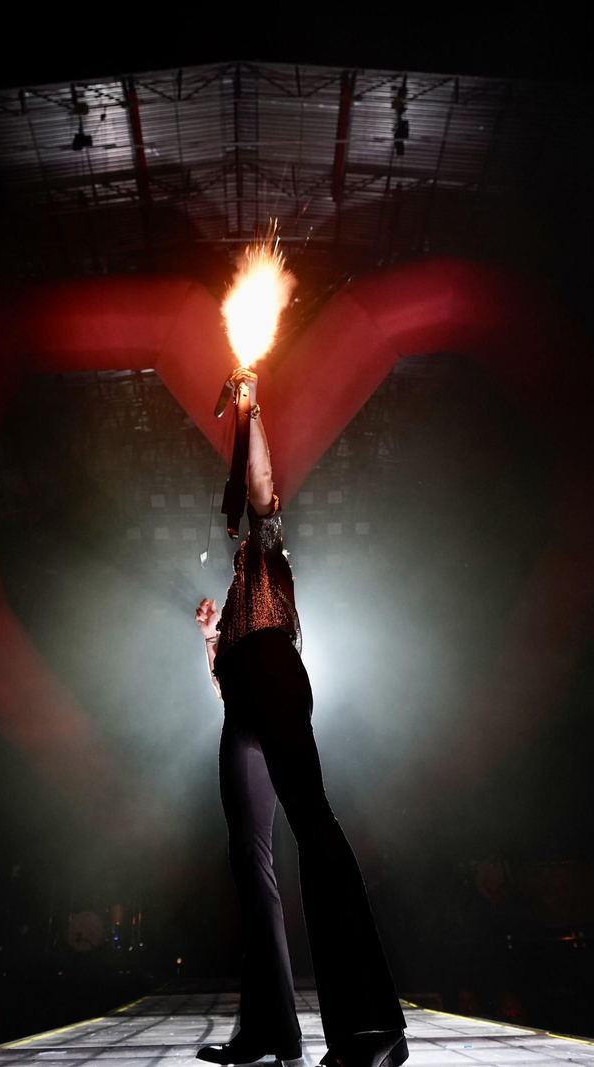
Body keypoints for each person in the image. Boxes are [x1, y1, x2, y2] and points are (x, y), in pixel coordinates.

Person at [193, 370, 408, 1067]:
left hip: (277, 678)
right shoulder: (231, 598)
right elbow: (222, 690)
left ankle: (371, 1027)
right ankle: (269, 1032)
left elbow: (259, 484)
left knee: (313, 823)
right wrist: (207, 644)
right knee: (247, 859)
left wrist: (250, 409)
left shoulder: (268, 552)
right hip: (242, 706)